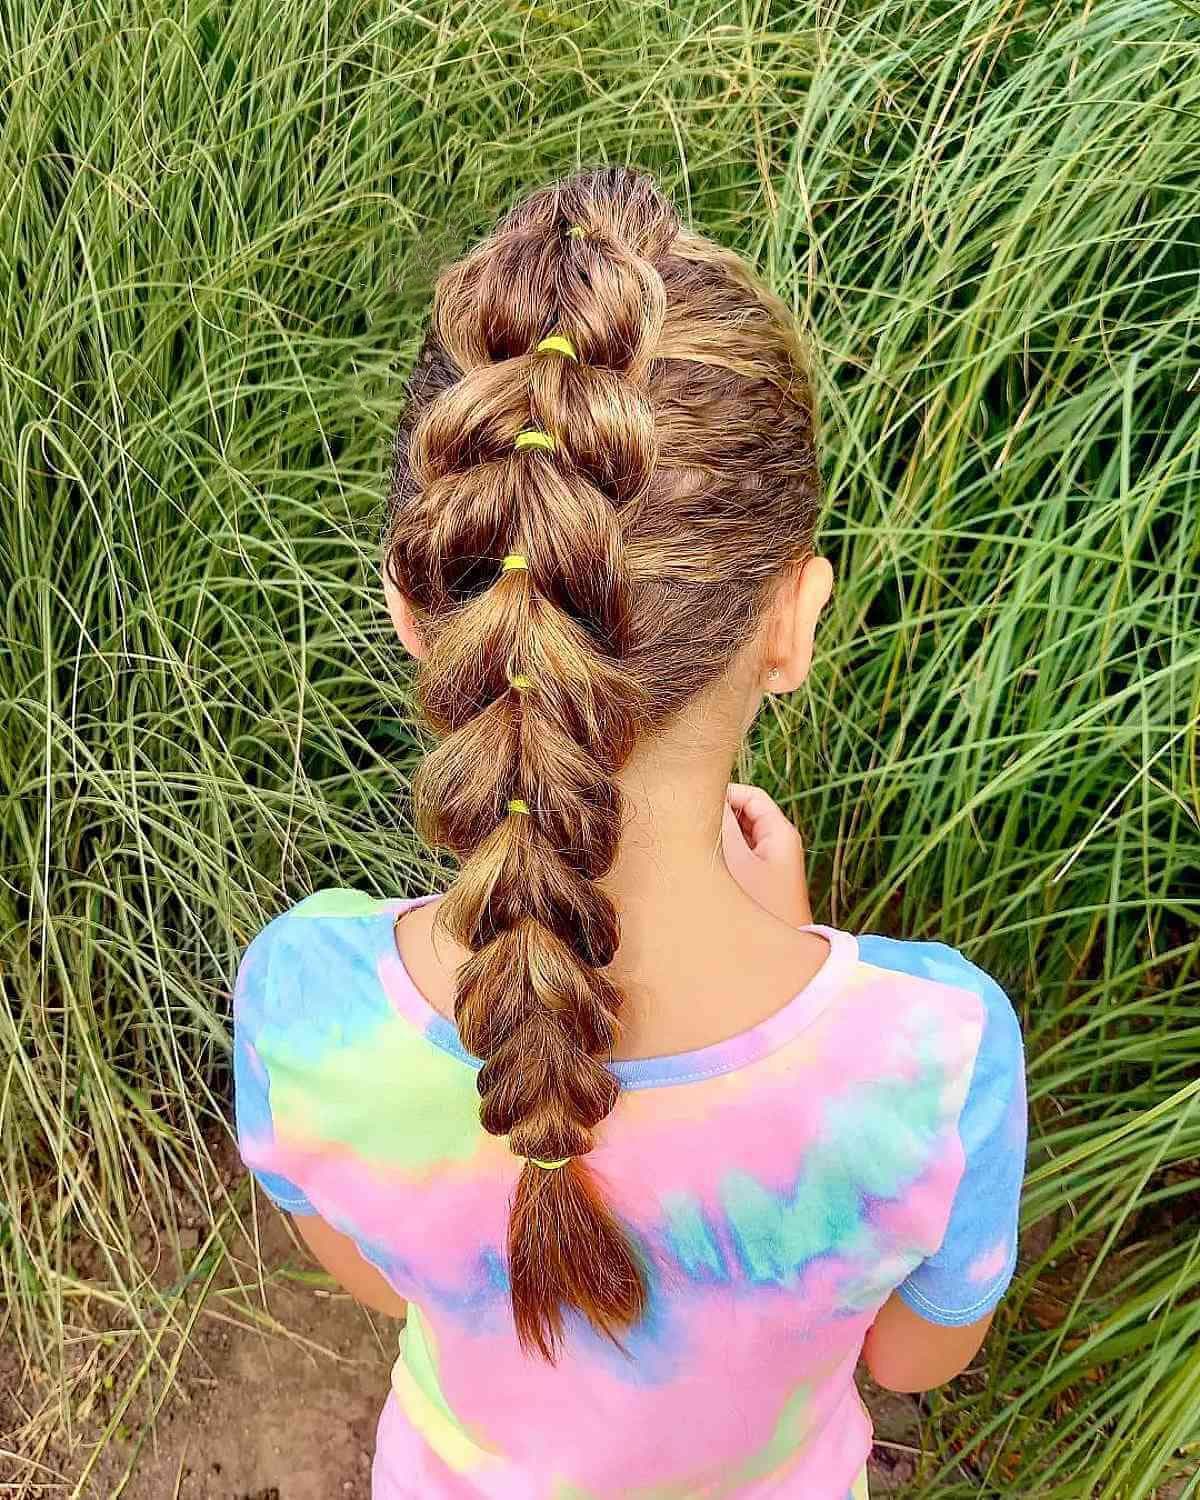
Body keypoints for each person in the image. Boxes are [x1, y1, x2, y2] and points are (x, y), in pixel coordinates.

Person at [233, 167, 1027, 1499]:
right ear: (794, 623)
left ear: (418, 614)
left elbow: (375, 1285)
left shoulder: (306, 1001)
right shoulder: (935, 1061)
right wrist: (787, 949)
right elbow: (911, 1359)